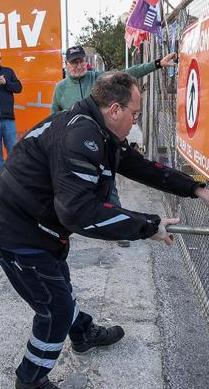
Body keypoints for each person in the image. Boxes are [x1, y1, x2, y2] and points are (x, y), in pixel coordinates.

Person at [0, 72, 209, 389]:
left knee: (58, 287)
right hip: (13, 230)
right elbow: (80, 213)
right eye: (134, 115)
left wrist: (198, 189)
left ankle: (81, 334)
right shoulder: (81, 135)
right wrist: (147, 226)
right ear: (113, 110)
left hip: (36, 225)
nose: (135, 121)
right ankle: (31, 377)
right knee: (55, 307)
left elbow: (139, 166)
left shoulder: (96, 129)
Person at [51, 45, 177, 248]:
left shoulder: (98, 79)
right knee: (75, 192)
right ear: (66, 65)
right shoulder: (61, 89)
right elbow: (54, 116)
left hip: (104, 144)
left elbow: (128, 74)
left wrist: (157, 64)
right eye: (74, 62)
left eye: (82, 61)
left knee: (109, 188)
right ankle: (69, 227)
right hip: (76, 149)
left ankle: (121, 229)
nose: (79, 65)